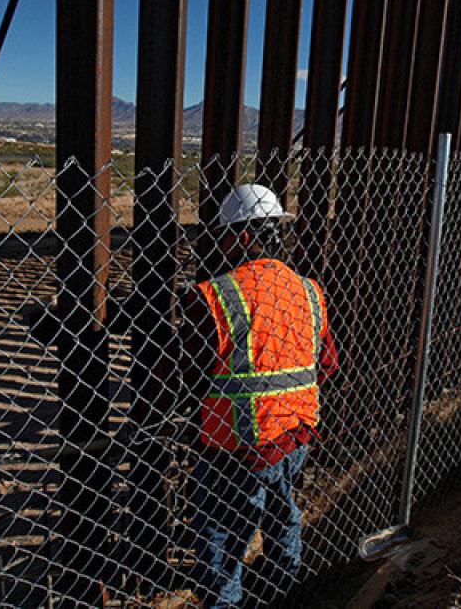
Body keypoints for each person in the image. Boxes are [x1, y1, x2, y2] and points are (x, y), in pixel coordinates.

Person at [165, 184, 337, 608]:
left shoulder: (214, 295)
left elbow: (183, 377)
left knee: (220, 540)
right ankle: (284, 587)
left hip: (236, 448)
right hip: (295, 436)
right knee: (282, 512)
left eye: (223, 235)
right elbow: (327, 363)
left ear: (240, 236)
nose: (220, 246)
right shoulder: (310, 291)